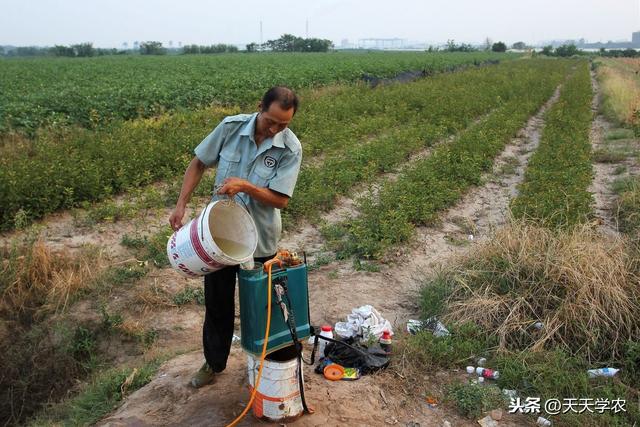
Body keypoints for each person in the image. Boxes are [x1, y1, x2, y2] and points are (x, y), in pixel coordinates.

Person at [168, 86, 302, 388]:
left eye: (284, 124)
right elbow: (199, 163)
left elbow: (281, 200)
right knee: (217, 302)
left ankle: (267, 363)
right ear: (259, 108)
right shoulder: (230, 128)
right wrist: (181, 204)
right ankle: (213, 363)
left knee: (264, 304)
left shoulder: (290, 148)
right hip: (218, 236)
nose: (275, 129)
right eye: (271, 121)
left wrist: (245, 186)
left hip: (260, 239)